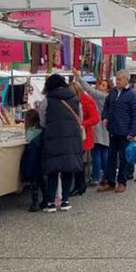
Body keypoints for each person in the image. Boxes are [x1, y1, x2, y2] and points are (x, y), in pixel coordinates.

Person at [38, 74, 84, 212]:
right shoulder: (75, 99)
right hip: (72, 138)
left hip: (53, 137)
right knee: (67, 168)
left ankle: (51, 203)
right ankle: (65, 201)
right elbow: (80, 119)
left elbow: (42, 121)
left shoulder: (47, 100)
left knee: (53, 169)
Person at [101, 70, 136, 193]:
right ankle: (110, 182)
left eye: (118, 79)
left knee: (124, 158)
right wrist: (105, 117)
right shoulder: (113, 92)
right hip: (113, 130)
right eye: (116, 79)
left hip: (125, 132)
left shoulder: (132, 95)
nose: (116, 81)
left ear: (125, 80)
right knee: (111, 157)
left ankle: (122, 182)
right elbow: (106, 107)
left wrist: (132, 132)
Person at [69, 80, 100, 196]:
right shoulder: (78, 100)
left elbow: (95, 118)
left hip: (84, 135)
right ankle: (79, 185)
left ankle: (80, 185)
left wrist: (82, 123)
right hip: (78, 134)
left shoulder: (86, 101)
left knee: (79, 161)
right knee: (78, 161)